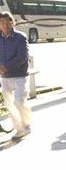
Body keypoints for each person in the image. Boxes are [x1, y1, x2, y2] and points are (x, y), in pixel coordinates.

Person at [0, 11, 32, 139]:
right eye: (2, 23)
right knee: (10, 105)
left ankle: (27, 124)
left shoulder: (20, 37)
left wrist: (6, 66)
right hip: (5, 77)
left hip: (20, 75)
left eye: (8, 22)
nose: (5, 25)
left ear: (13, 22)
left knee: (19, 102)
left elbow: (23, 57)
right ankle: (19, 129)